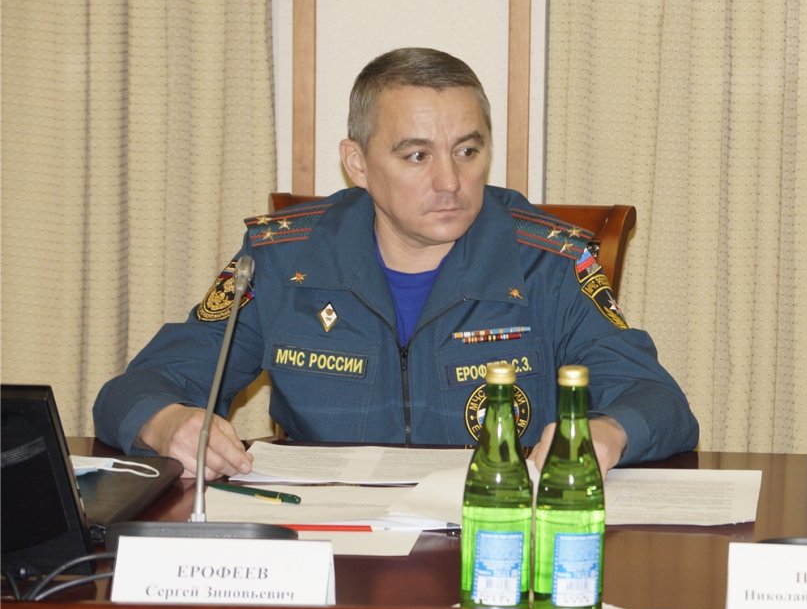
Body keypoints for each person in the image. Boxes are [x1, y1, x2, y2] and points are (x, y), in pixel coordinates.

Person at [95, 47, 698, 478]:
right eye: (417, 156)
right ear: (357, 164)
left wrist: (605, 433)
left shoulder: (548, 262)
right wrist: (167, 422)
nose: (450, 182)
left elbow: (658, 401)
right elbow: (138, 389)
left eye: (468, 151)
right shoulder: (283, 259)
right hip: (330, 549)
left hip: (493, 540)